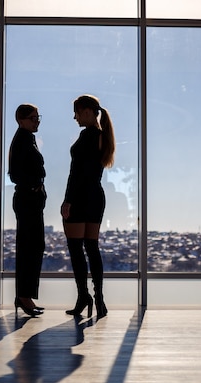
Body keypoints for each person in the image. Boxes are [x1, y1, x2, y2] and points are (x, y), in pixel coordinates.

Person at [61, 94, 115, 318]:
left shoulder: (87, 136)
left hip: (81, 196)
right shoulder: (103, 136)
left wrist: (68, 200)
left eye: (77, 112)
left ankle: (84, 296)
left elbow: (77, 174)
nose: (74, 117)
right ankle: (99, 300)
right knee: (92, 248)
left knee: (75, 248)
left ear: (87, 111)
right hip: (96, 196)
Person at [8, 104, 46, 317]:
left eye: (38, 117)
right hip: (27, 200)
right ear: (21, 120)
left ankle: (25, 296)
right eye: (33, 118)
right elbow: (15, 174)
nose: (36, 121)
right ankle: (24, 297)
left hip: (30, 200)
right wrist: (33, 185)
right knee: (30, 248)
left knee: (33, 247)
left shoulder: (27, 138)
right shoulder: (22, 139)